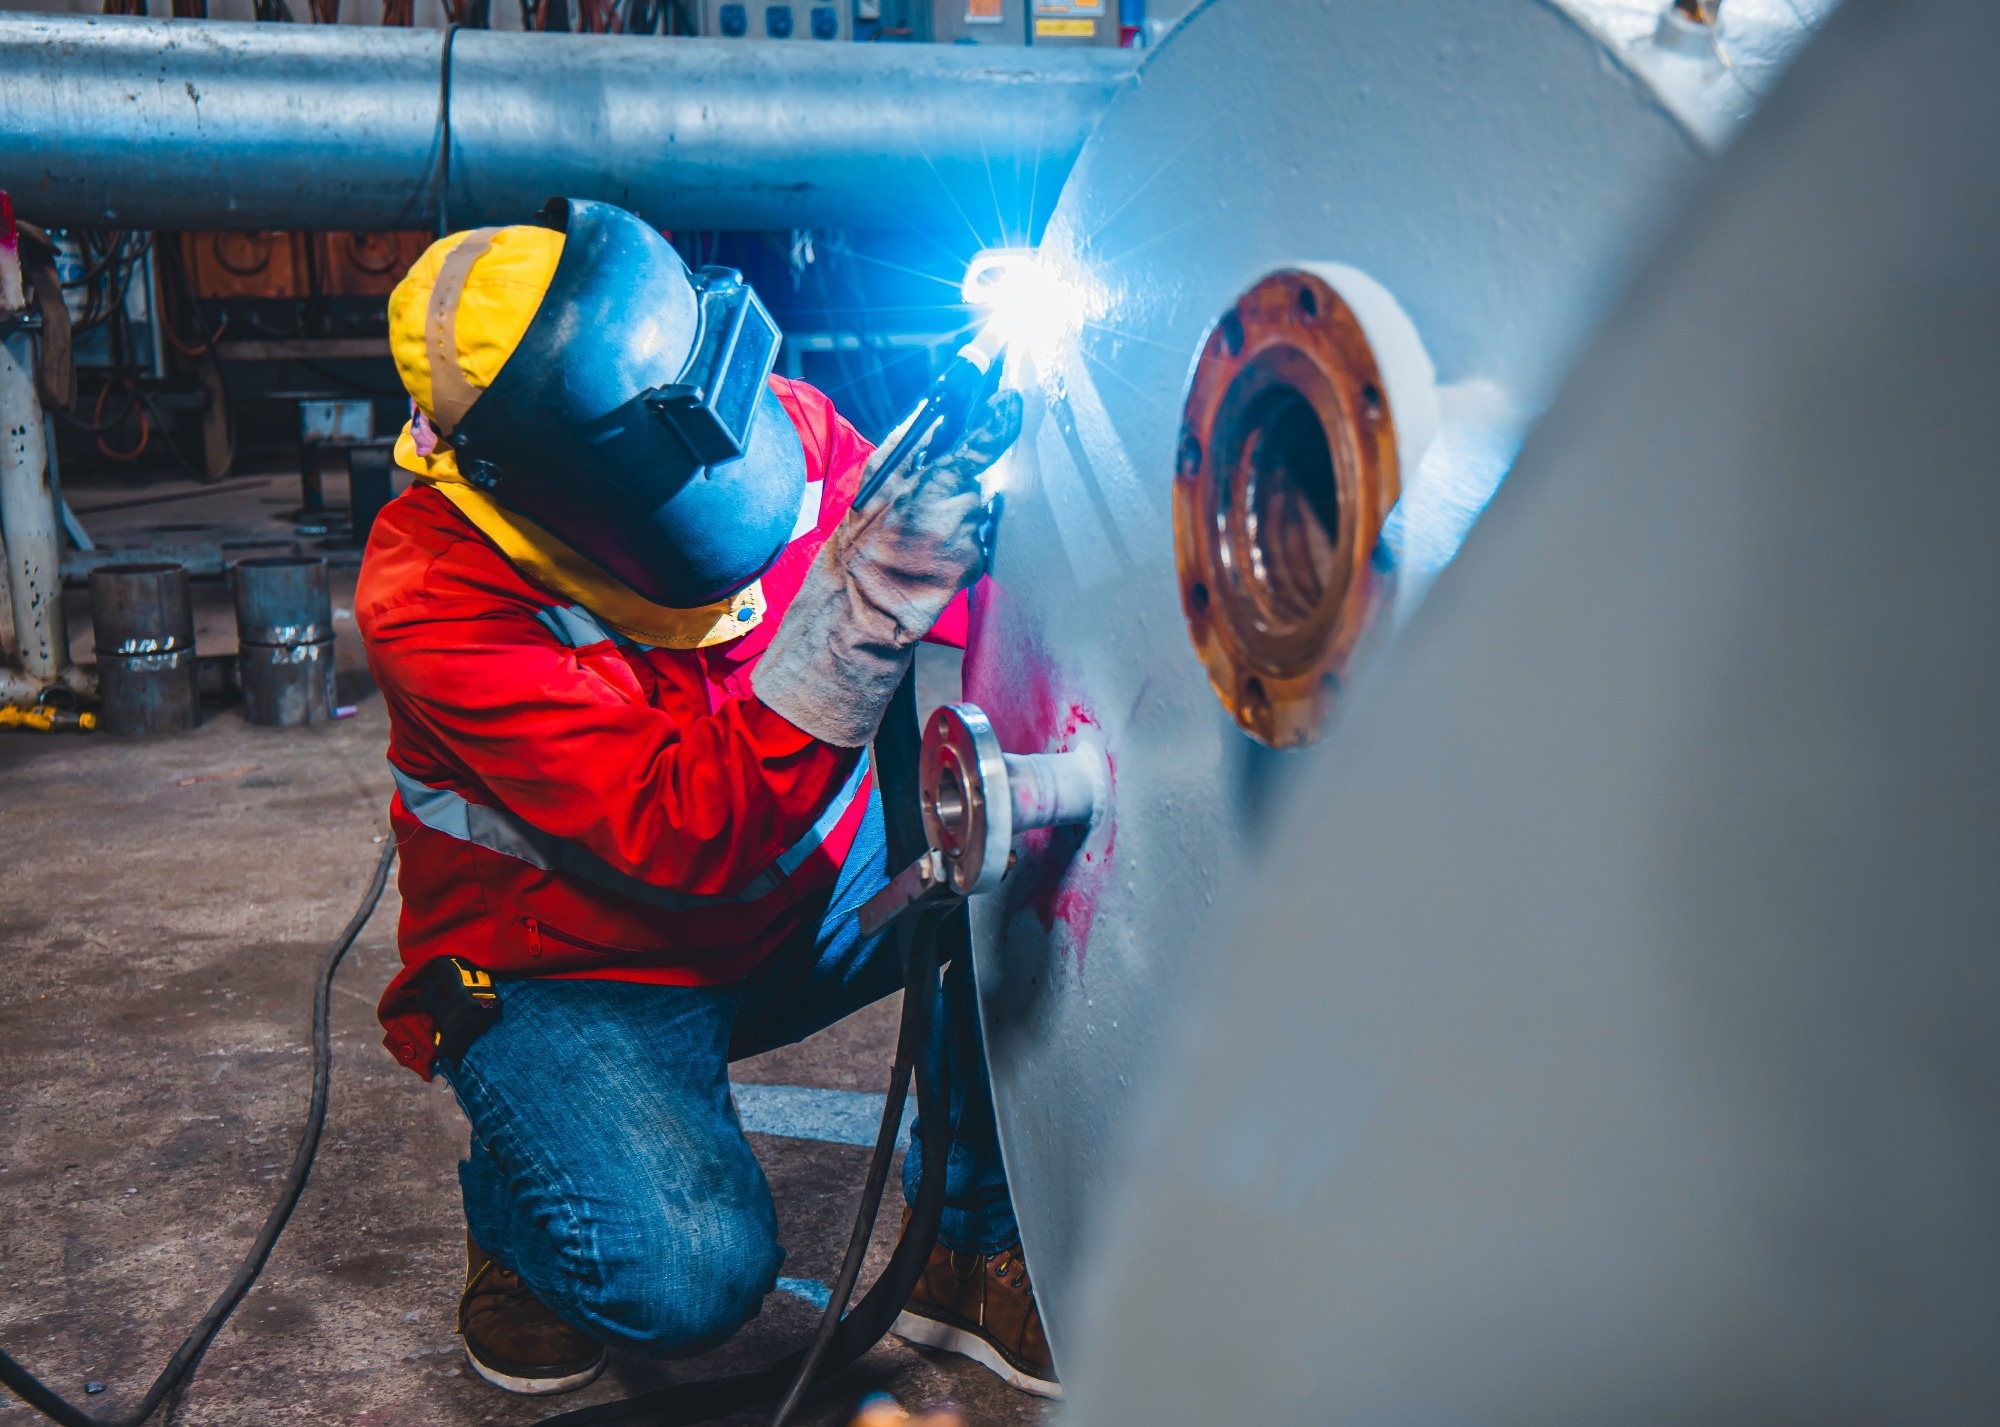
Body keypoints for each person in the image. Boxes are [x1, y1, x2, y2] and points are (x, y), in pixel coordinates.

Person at [354, 200, 1056, 1399]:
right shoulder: (432, 593)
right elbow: (684, 826)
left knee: (1018, 825)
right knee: (681, 1275)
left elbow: (971, 596)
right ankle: (525, 1226)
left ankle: (968, 1239)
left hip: (785, 900)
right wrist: (856, 622)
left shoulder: (768, 421)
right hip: (579, 968)